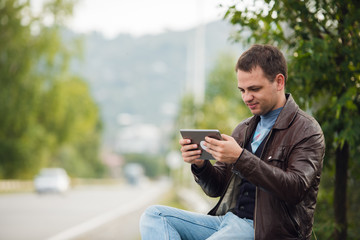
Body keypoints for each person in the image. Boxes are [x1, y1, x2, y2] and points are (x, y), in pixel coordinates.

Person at [139, 44, 325, 240]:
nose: (246, 97)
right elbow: (216, 188)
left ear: (279, 82)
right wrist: (200, 164)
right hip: (228, 221)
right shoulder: (243, 129)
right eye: (242, 90)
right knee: (155, 216)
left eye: (254, 89)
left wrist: (240, 157)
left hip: (265, 231)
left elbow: (295, 189)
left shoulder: (306, 130)